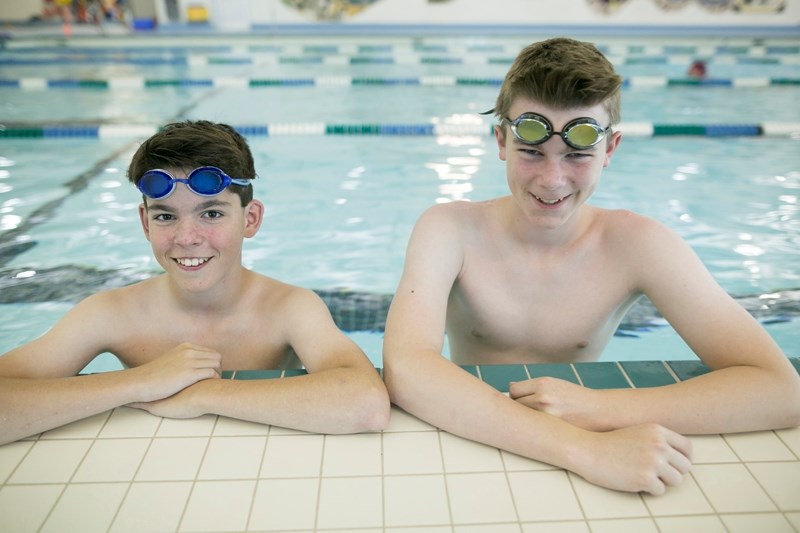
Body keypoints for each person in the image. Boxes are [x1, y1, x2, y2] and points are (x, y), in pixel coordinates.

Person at [383, 37, 800, 495]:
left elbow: (782, 391)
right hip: (473, 441)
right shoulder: (449, 230)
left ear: (611, 149)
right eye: (532, 152)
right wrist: (584, 449)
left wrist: (603, 408)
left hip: (526, 437)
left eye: (578, 154)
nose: (552, 179)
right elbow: (406, 368)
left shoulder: (638, 245)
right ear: (501, 140)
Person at [0, 120, 390, 445]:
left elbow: (365, 402)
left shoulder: (288, 308)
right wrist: (139, 382)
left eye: (211, 213)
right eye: (166, 217)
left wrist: (205, 394)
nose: (187, 238)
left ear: (250, 219)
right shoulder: (110, 313)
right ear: (144, 222)